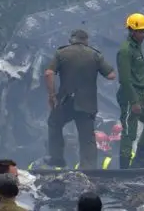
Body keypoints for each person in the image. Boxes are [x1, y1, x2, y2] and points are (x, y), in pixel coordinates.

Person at [44, 29, 116, 169]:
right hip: (87, 103)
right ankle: (89, 168)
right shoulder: (95, 54)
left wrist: (52, 95)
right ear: (86, 40)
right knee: (87, 136)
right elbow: (111, 75)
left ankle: (57, 158)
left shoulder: (61, 53)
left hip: (65, 101)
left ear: (72, 39)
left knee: (54, 123)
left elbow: (49, 73)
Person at [117, 13, 144, 169]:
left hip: (141, 93)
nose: (143, 34)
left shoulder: (137, 47)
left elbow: (139, 74)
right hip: (130, 95)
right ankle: (124, 167)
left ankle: (139, 159)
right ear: (131, 31)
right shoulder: (125, 50)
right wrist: (134, 101)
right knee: (129, 130)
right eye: (140, 31)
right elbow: (125, 79)